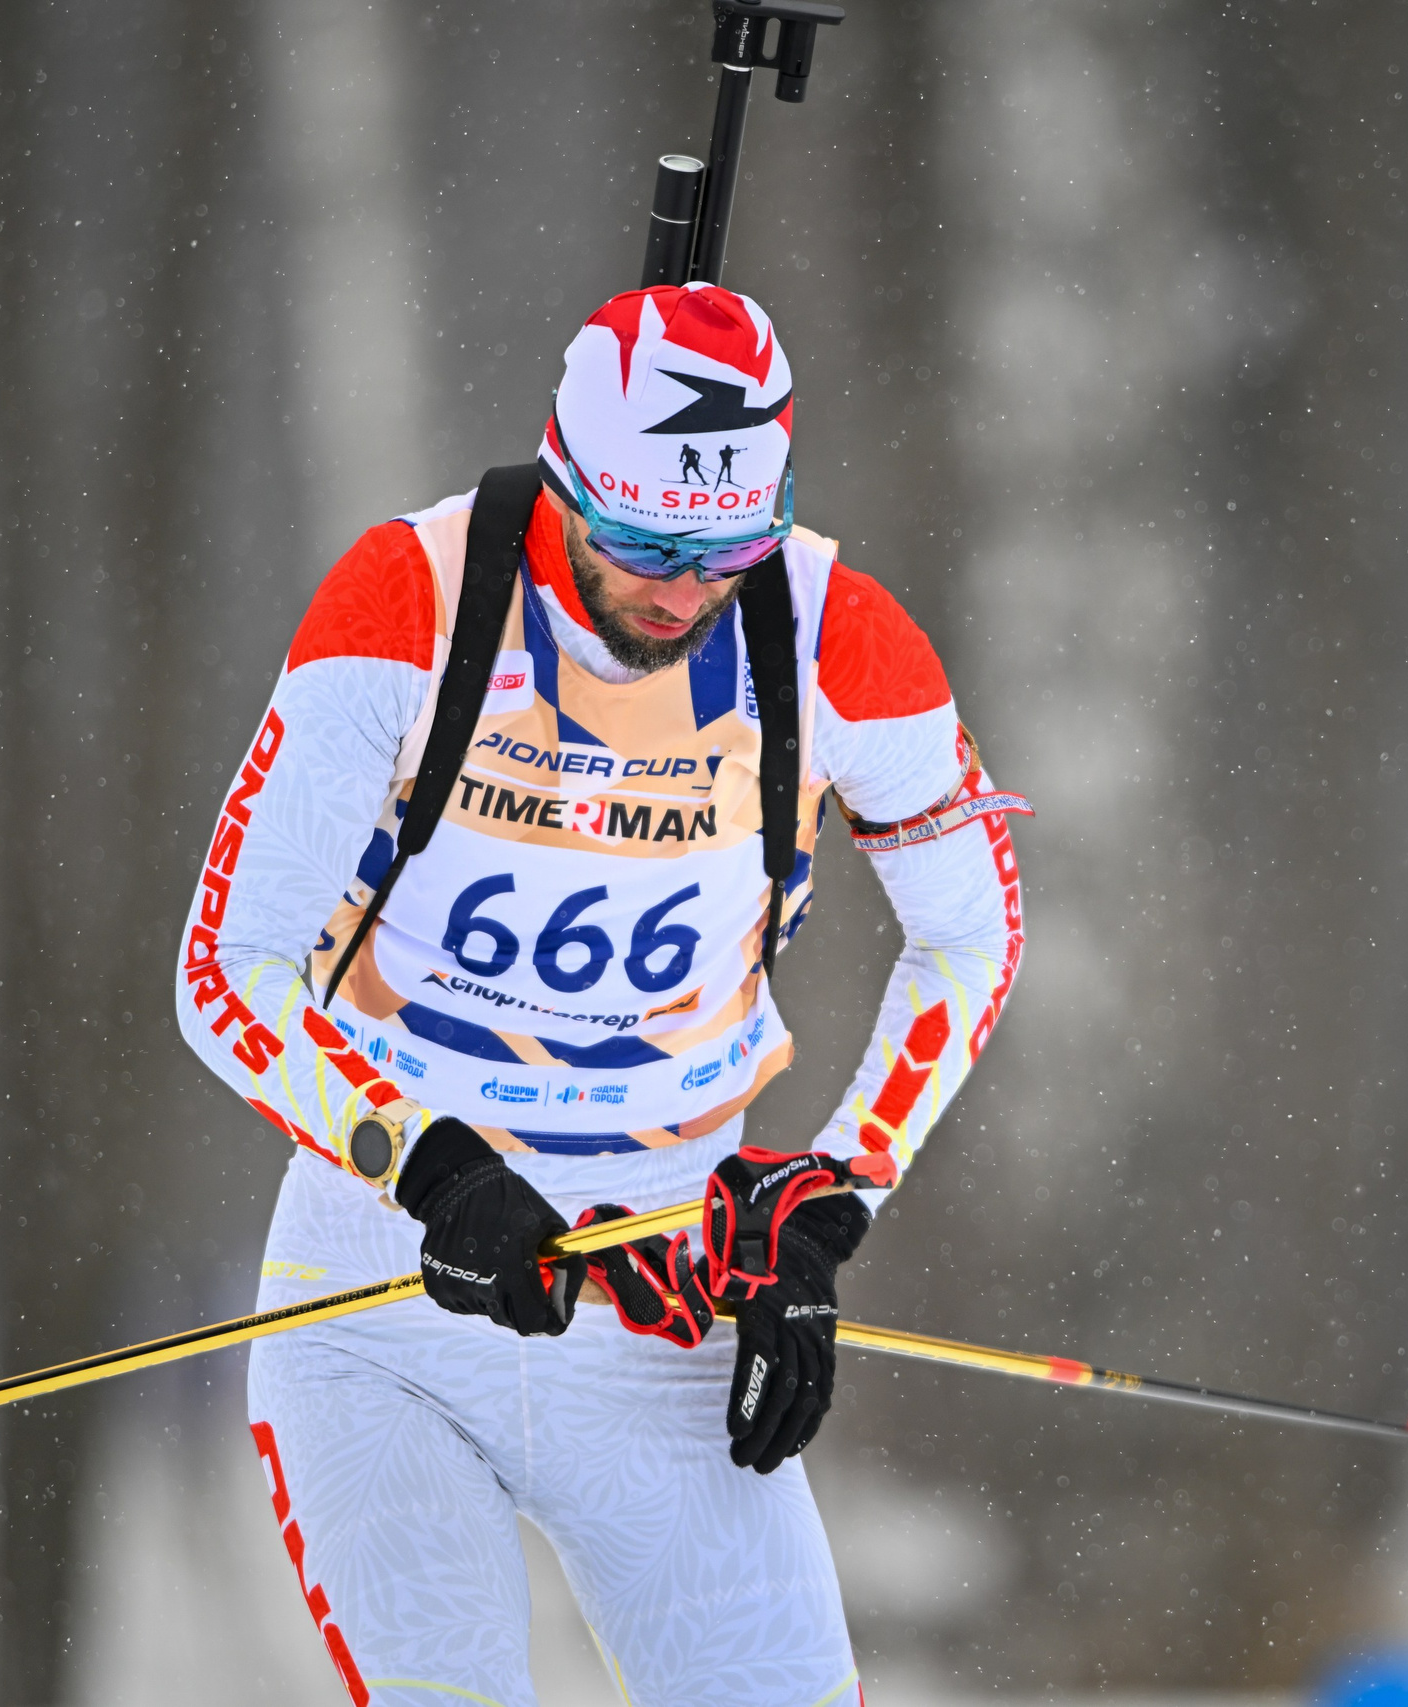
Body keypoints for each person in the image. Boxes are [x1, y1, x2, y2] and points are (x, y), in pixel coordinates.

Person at [175, 282, 1027, 1707]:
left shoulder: (837, 636)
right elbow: (228, 969)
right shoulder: (410, 598)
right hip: (386, 1297)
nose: (684, 593)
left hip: (657, 1298)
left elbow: (970, 936)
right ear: (567, 480)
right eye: (640, 546)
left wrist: (833, 1197)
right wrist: (432, 1167)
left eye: (726, 553)